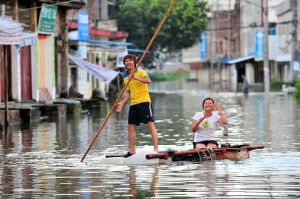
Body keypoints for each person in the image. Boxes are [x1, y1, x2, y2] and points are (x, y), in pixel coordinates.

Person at [116, 54, 159, 156]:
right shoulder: (125, 77)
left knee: (150, 124)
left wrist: (136, 78)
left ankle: (156, 148)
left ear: (134, 63)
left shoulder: (141, 72)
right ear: (125, 64)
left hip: (144, 102)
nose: (128, 62)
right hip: (133, 104)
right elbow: (129, 93)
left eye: (130, 60)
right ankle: (132, 150)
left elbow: (149, 81)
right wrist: (122, 102)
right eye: (126, 61)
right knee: (130, 126)